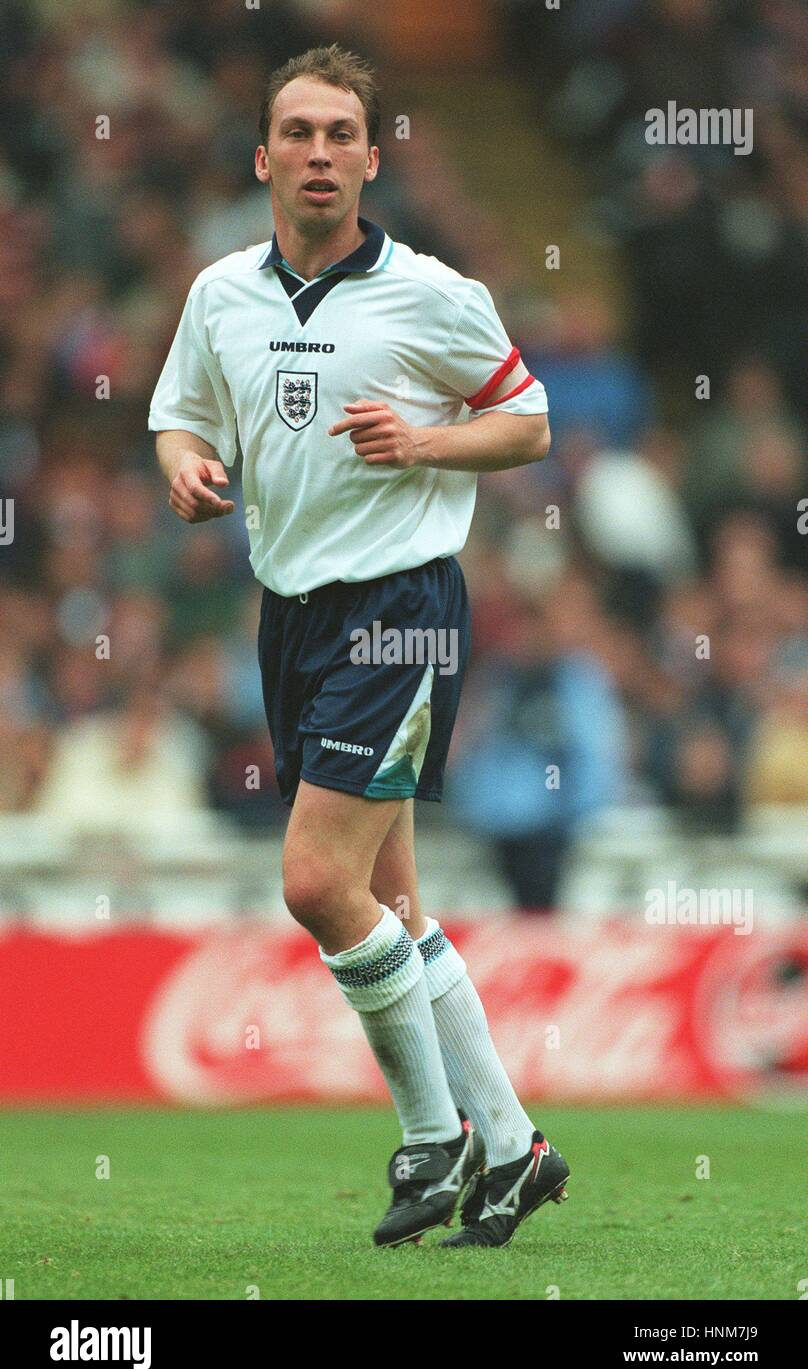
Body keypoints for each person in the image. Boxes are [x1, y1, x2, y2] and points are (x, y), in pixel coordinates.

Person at [148, 43, 568, 1249]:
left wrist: (424, 445)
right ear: (264, 156)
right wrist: (186, 470)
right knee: (391, 896)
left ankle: (432, 1139)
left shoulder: (432, 292)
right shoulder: (221, 291)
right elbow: (177, 414)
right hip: (291, 614)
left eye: (343, 133)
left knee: (314, 882)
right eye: (299, 132)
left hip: (400, 608)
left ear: (373, 158)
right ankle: (512, 1150)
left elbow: (528, 421)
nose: (320, 152)